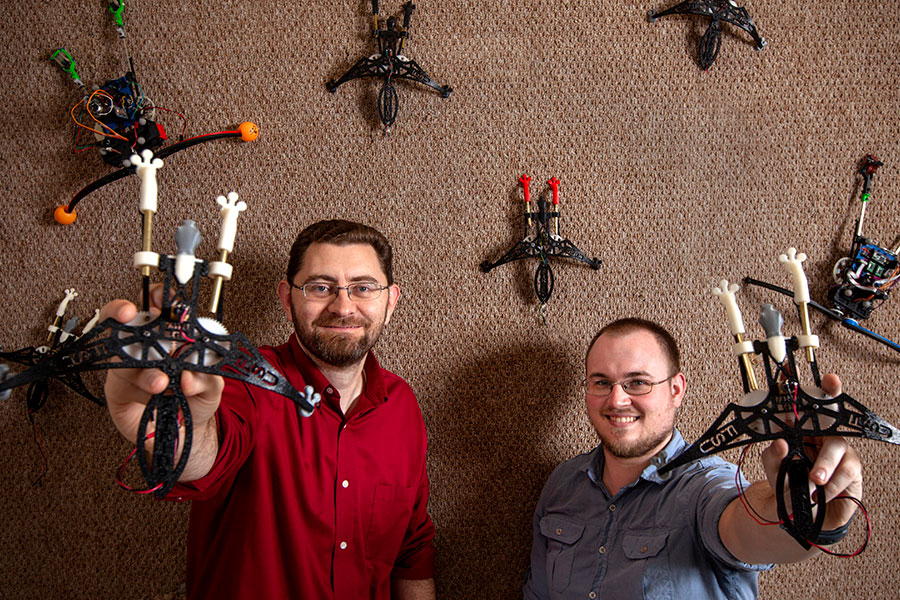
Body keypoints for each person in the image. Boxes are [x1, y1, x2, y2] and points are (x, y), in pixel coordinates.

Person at [101, 220, 436, 600]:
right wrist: (177, 433)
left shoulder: (402, 407)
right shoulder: (245, 379)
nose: (343, 306)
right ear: (286, 299)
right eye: (320, 287)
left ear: (390, 302)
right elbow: (207, 454)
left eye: (363, 288)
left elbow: (413, 551)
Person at [523, 318, 863, 600]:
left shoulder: (706, 486)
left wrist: (809, 513)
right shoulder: (563, 484)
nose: (617, 400)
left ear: (676, 390)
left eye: (638, 382)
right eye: (601, 382)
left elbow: (747, 527)